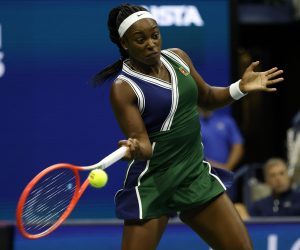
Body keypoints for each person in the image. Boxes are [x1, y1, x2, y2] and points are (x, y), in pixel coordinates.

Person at [93, 4, 284, 249]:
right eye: (140, 40)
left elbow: (207, 98)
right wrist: (133, 148)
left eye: (155, 35)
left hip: (193, 176)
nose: (151, 43)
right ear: (125, 43)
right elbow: (144, 145)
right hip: (155, 183)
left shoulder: (178, 58)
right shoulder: (123, 88)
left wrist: (240, 88)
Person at [199, 108, 244, 202]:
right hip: (201, 175)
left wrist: (227, 167)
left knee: (228, 204)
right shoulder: (192, 123)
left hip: (225, 174)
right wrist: (210, 164)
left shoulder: (227, 121)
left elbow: (238, 146)